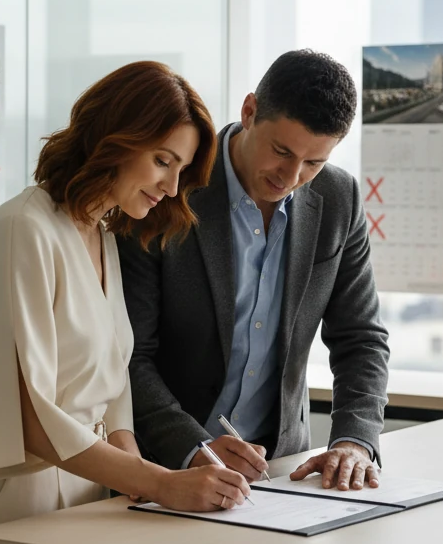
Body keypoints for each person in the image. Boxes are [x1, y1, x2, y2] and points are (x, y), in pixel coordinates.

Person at [0, 62, 251, 544]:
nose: (171, 188)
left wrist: (132, 479)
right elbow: (28, 416)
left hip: (86, 503)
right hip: (9, 510)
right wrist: (159, 482)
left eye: (179, 171)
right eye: (162, 160)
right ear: (113, 137)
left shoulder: (100, 233)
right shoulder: (21, 232)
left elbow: (115, 382)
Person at [119, 49, 390, 492]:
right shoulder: (169, 185)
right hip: (167, 472)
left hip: (280, 473)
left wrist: (354, 440)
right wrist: (193, 447)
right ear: (249, 112)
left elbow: (361, 337)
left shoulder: (339, 198)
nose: (291, 176)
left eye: (313, 162)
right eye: (281, 151)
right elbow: (130, 353)